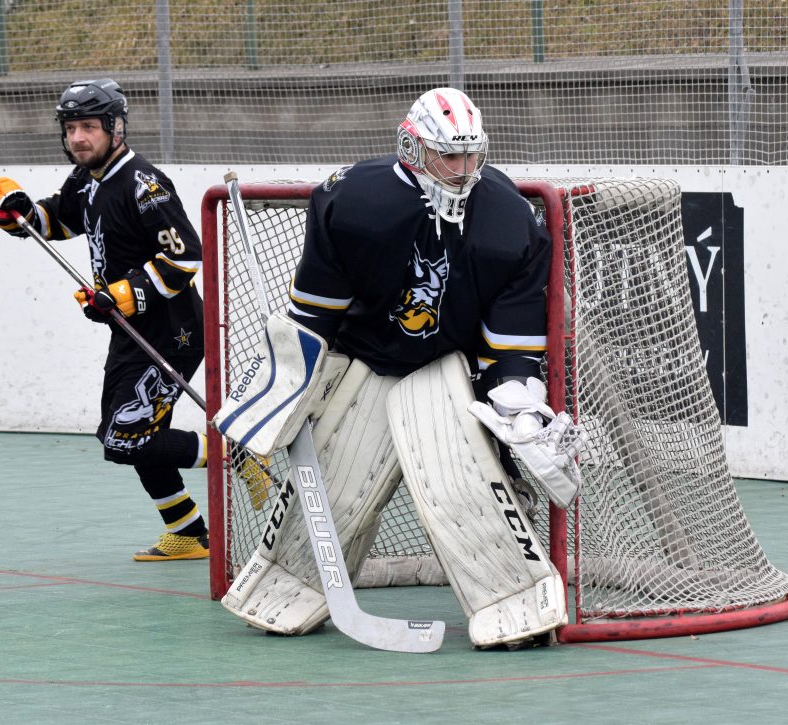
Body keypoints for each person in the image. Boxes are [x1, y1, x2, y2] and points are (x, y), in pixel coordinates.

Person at [217, 87, 583, 648]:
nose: (463, 171)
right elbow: (314, 318)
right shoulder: (351, 200)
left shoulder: (510, 218)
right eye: (448, 156)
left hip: (450, 370)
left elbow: (509, 342)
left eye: (471, 155)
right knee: (336, 496)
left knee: (462, 495)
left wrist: (522, 409)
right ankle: (286, 585)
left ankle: (515, 600)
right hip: (366, 362)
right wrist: (291, 383)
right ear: (412, 148)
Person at [0, 79, 211, 562]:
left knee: (125, 438)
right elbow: (60, 221)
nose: (78, 138)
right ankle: (188, 533)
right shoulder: (86, 179)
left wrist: (123, 294)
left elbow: (186, 257)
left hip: (173, 333)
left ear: (115, 127)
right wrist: (21, 214)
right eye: (71, 129)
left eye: (88, 126)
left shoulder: (144, 184)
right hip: (132, 332)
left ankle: (236, 453)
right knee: (127, 435)